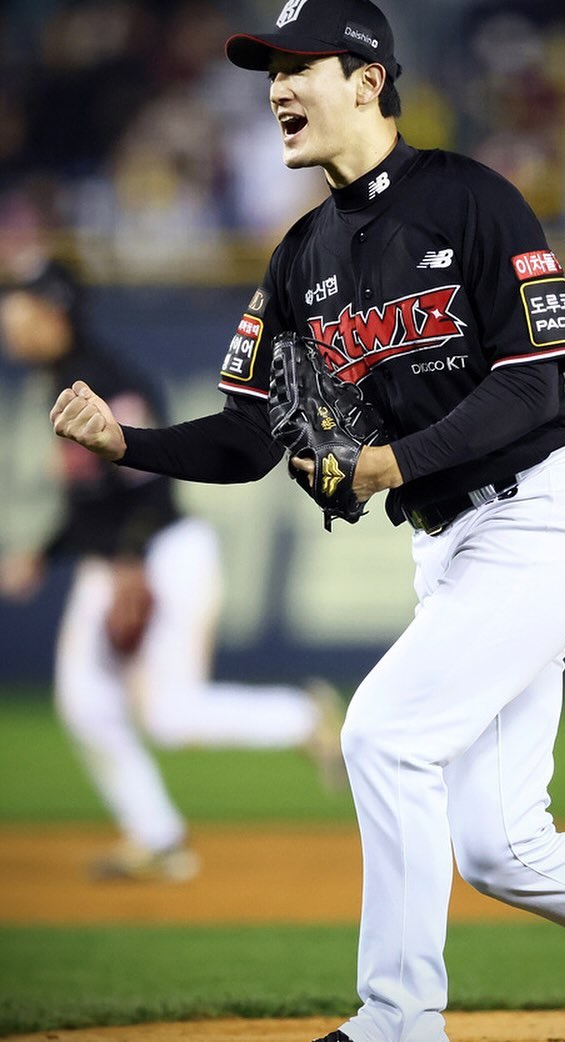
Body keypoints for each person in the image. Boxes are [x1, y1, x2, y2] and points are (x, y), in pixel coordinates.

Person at [47, 1, 565, 1039]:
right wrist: (125, 443)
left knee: (382, 734)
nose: (277, 88)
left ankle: (398, 1021)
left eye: (298, 66)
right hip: (450, 546)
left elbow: (532, 386)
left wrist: (388, 461)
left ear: (368, 79)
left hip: (544, 521)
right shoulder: (300, 258)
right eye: (268, 71)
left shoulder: (473, 200)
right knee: (503, 848)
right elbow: (247, 435)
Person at [0, 258, 345, 883]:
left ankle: (303, 716)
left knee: (169, 713)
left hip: (158, 554)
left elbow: (149, 483)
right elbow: (89, 501)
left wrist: (131, 562)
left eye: (22, 310)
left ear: (55, 313)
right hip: (117, 560)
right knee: (85, 704)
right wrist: (45, 556)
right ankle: (157, 838)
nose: (11, 324)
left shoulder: (103, 380)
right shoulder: (60, 379)